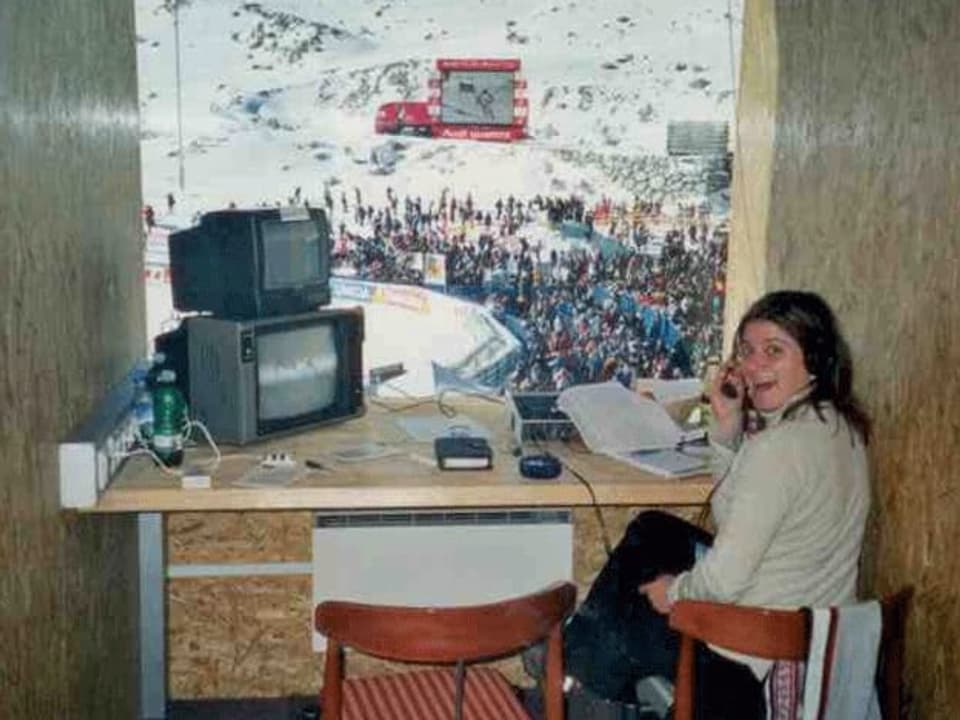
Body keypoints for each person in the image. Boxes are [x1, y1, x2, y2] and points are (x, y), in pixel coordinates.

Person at [555, 290, 872, 719]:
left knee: (620, 620)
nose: (754, 365)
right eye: (746, 351)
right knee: (655, 530)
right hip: (800, 635)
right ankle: (580, 673)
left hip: (749, 664)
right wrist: (728, 430)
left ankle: (566, 684)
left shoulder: (780, 449)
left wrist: (675, 592)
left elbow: (722, 582)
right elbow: (732, 520)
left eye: (773, 351)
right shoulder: (837, 426)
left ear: (813, 359)